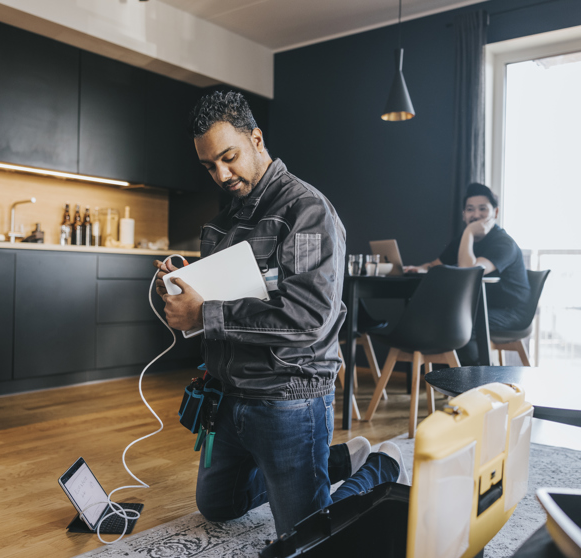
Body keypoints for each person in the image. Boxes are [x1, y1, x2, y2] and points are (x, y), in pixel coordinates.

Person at [153, 91, 408, 538]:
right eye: (210, 165)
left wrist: (204, 313)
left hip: (288, 396)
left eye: (228, 157)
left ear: (256, 138)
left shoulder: (306, 211)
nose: (221, 174)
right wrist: (189, 289)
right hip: (228, 396)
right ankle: (336, 461)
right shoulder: (225, 220)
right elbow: (231, 299)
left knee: (307, 540)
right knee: (218, 506)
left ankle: (381, 469)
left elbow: (307, 318)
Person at [405, 182, 530, 363]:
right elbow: (435, 264)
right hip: (481, 308)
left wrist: (470, 232)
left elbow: (468, 271)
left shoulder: (504, 243)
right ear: (464, 214)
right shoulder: (463, 240)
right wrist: (420, 268)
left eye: (482, 209)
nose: (476, 215)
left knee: (463, 323)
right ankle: (461, 380)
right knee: (450, 318)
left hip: (512, 312)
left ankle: (480, 380)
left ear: (495, 213)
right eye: (470, 209)